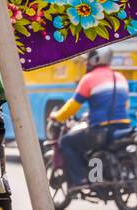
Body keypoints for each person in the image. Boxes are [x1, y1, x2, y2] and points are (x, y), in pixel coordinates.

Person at [49, 47, 131, 190]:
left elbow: (73, 106)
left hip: (100, 129)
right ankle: (97, 176)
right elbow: (125, 104)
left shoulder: (89, 79)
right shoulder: (120, 77)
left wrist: (57, 116)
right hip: (123, 127)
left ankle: (79, 180)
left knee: (67, 142)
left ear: (95, 59)